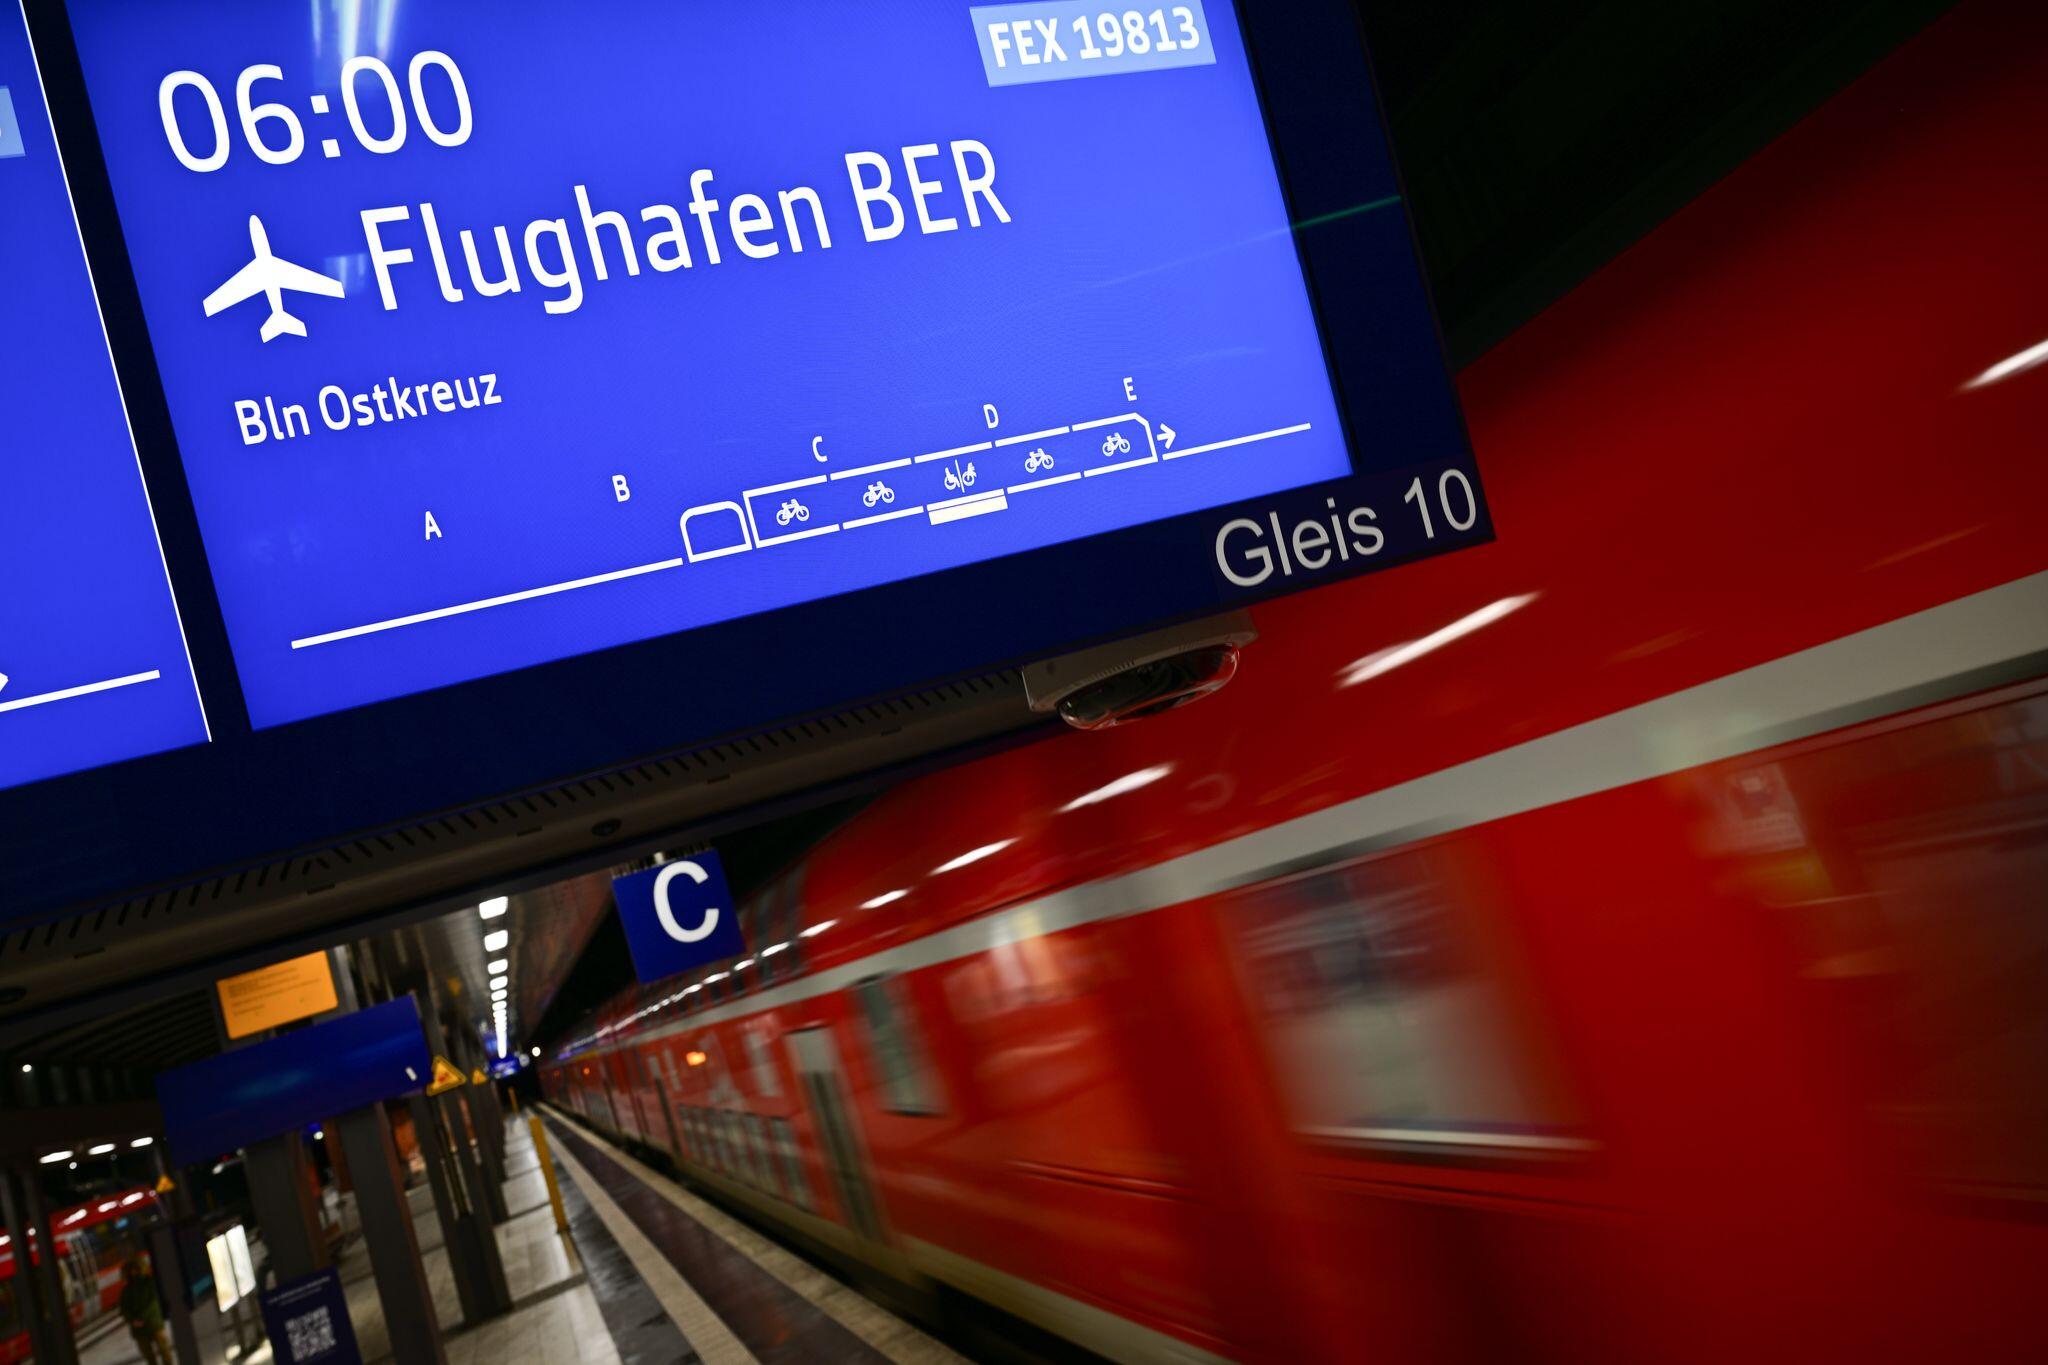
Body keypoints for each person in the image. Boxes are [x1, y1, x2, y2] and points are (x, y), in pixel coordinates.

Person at [118, 1255, 172, 1365]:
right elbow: (124, 1310)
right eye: (130, 1269)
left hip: (151, 1323)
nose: (132, 1272)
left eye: (134, 1268)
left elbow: (153, 1301)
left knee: (162, 1350)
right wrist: (133, 1320)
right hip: (146, 1325)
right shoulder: (127, 1291)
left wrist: (139, 1319)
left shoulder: (148, 1283)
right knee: (152, 1354)